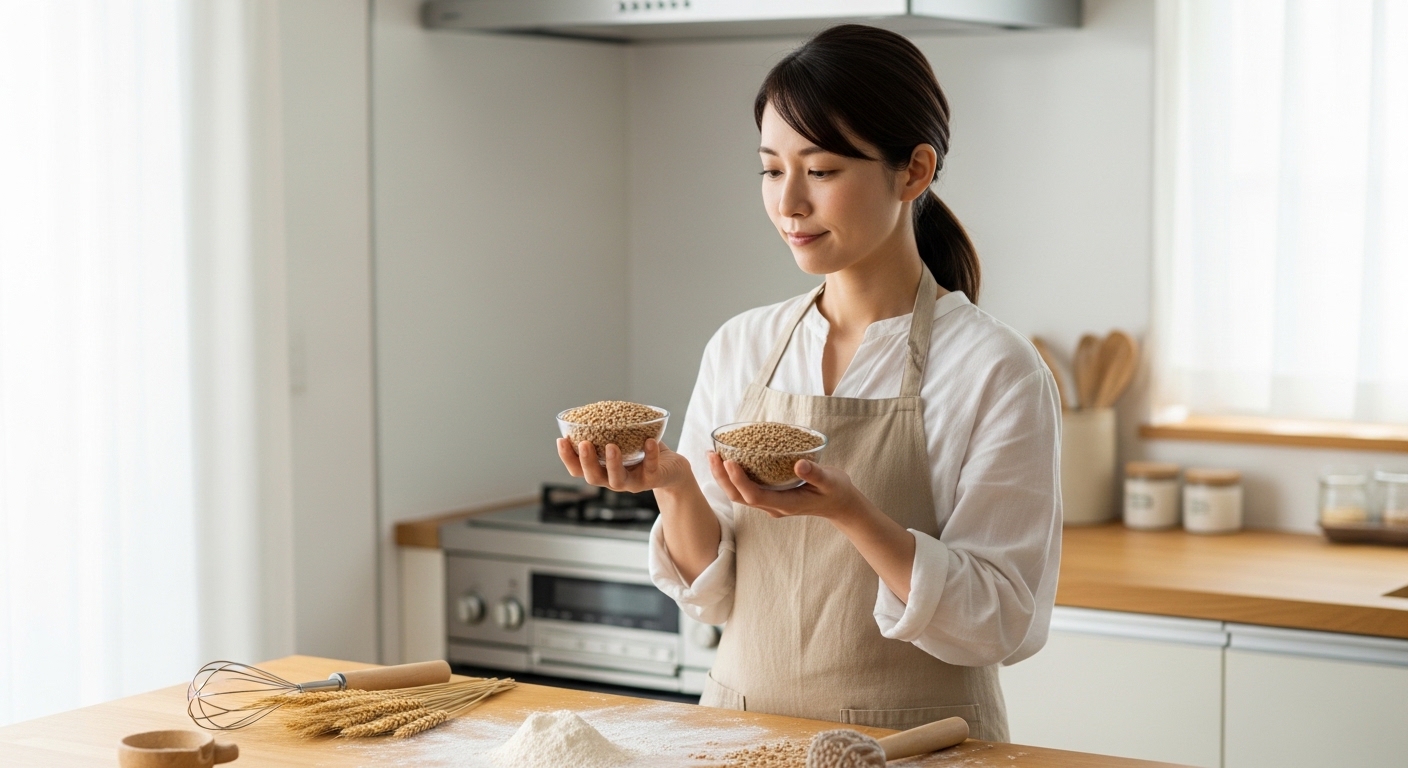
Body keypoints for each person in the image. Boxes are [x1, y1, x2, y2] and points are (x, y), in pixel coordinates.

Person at [556, 24, 1061, 742]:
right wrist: (674, 484)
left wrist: (853, 514)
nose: (788, 202)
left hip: (918, 750)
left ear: (914, 171)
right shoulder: (744, 344)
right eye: (770, 169)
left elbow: (1002, 622)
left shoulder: (995, 369)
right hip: (739, 737)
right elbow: (720, 595)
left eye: (821, 171)